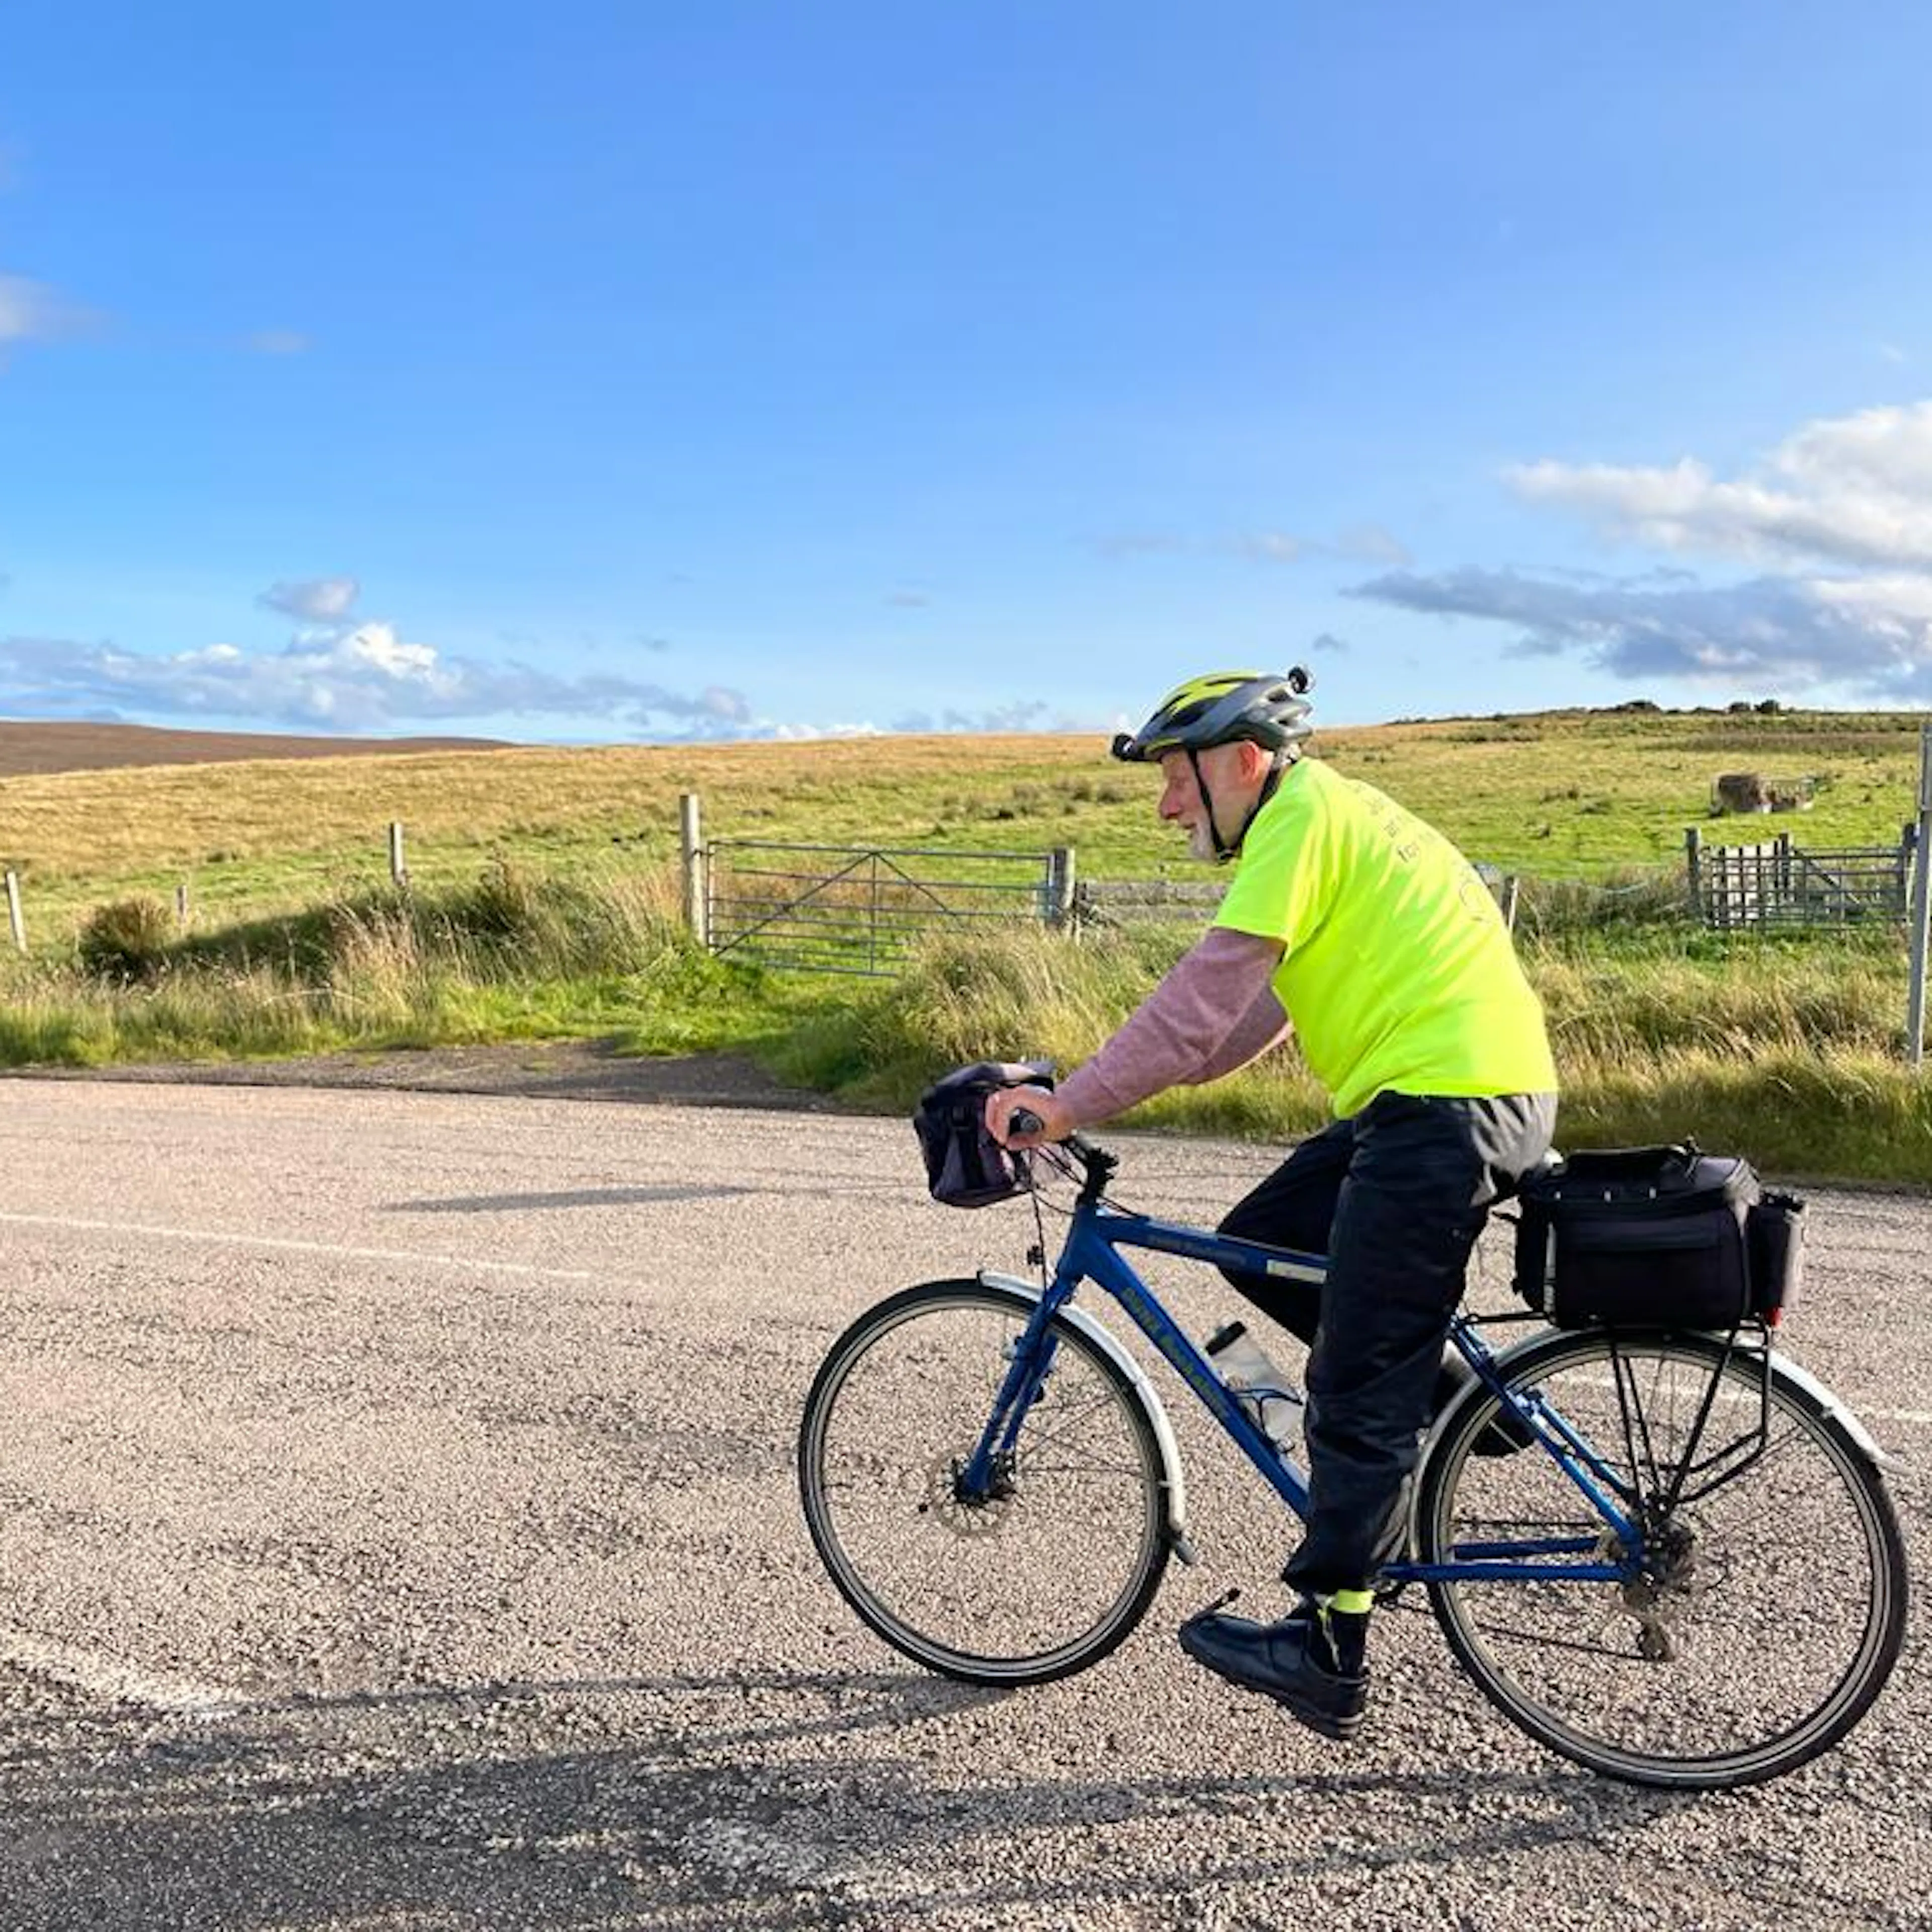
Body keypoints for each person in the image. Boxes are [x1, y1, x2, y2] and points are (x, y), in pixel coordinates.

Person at [984, 669, 1558, 1741]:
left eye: (1175, 779)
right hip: (1451, 1094)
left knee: (1356, 1375)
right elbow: (1247, 1017)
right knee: (1261, 1246)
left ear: (1241, 760)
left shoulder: (1298, 821)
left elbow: (1203, 1002)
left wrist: (1063, 1110)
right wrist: (1122, 1082)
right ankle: (1463, 1408)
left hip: (1442, 1107)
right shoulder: (1334, 814)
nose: (1165, 807)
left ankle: (1329, 1644)